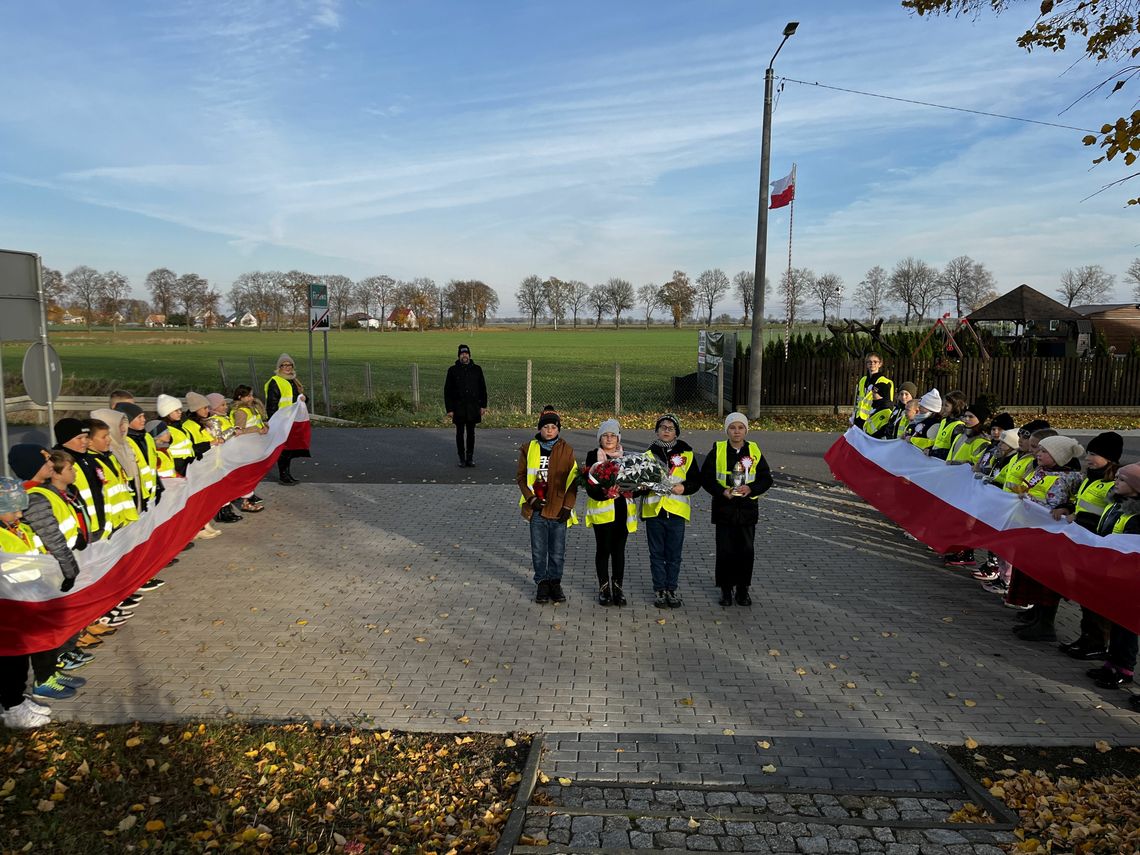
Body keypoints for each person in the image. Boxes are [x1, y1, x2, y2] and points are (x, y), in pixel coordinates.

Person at [1006, 434, 1085, 641]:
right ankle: (1036, 616)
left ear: (1058, 456)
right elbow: (1027, 489)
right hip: (1032, 529)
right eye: (1039, 450)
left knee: (1046, 580)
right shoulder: (1039, 471)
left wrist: (1064, 508)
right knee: (1032, 574)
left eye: (1044, 452)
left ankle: (1046, 623)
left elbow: (1066, 503)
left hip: (1050, 535)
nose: (1038, 454)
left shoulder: (1069, 477)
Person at [1056, 431, 1122, 661]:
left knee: (1096, 597)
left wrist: (1081, 520)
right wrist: (1068, 508)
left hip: (1099, 546)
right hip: (1083, 544)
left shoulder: (1112, 484)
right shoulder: (1090, 478)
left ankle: (1097, 641)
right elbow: (1080, 504)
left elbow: (1109, 517)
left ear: (1110, 458)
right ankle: (1086, 637)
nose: (1088, 458)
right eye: (1089, 453)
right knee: (1085, 595)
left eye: (1094, 454)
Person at [700, 413, 773, 606]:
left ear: (746, 430)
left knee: (746, 551)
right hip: (725, 509)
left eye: (741, 427)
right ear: (727, 430)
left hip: (747, 510)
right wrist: (722, 491)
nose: (737, 431)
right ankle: (725, 589)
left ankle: (743, 589)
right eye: (732, 428)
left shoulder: (754, 450)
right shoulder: (718, 449)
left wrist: (751, 488)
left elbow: (766, 478)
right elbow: (706, 478)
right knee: (725, 551)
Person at [1085, 463, 1140, 696]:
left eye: (1122, 480)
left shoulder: (1137, 516)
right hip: (1112, 571)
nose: (1116, 481)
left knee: (1127, 624)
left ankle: (1125, 668)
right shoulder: (1116, 505)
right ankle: (1112, 663)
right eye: (1116, 477)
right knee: (1115, 619)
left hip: (1129, 577)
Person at [516, 409, 578, 604]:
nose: (550, 430)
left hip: (559, 509)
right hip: (537, 509)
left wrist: (568, 507)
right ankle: (542, 582)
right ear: (539, 429)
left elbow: (573, 480)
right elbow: (521, 477)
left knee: (557, 551)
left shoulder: (566, 450)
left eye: (553, 427)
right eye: (545, 427)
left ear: (558, 429)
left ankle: (555, 582)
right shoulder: (528, 448)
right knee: (538, 550)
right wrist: (530, 499)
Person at [641, 414, 701, 608]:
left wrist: (683, 488)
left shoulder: (687, 453)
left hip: (676, 511)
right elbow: (640, 482)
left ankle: (671, 589)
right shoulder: (648, 455)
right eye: (662, 427)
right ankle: (659, 589)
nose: (666, 430)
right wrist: (643, 485)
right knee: (656, 553)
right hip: (655, 511)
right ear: (656, 430)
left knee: (674, 554)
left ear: (676, 432)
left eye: (670, 427)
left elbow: (695, 481)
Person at [584, 419, 635, 607]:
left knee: (619, 551)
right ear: (599, 439)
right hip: (602, 512)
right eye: (605, 435)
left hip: (622, 511)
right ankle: (604, 589)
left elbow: (635, 485)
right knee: (603, 550)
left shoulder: (627, 457)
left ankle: (618, 589)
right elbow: (588, 485)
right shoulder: (593, 456)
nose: (609, 438)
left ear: (618, 438)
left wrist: (630, 488)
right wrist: (605, 492)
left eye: (613, 435)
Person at [265, 354, 309, 485]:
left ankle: (287, 473)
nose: (288, 367)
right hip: (282, 420)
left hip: (292, 420)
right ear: (279, 367)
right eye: (284, 365)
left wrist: (304, 398)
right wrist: (273, 421)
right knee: (284, 449)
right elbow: (272, 404)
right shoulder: (275, 382)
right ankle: (283, 475)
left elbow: (298, 398)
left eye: (290, 365)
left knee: (289, 448)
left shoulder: (294, 381)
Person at [444, 344, 488, 468]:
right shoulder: (452, 370)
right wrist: (450, 409)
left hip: (473, 407)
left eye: (466, 353)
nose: (464, 356)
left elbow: (483, 388)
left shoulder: (477, 369)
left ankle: (470, 458)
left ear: (469, 355)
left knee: (471, 433)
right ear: (459, 356)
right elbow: (447, 391)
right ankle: (461, 458)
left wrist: (483, 406)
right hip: (458, 408)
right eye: (462, 354)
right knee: (459, 433)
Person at [851, 353, 894, 429]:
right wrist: (853, 416)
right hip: (859, 419)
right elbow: (858, 400)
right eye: (869, 362)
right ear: (866, 364)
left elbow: (888, 405)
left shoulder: (886, 382)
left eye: (875, 362)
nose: (872, 364)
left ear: (880, 364)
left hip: (873, 418)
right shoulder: (863, 380)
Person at [928, 390, 968, 460]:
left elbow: (953, 450)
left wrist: (932, 452)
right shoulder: (944, 421)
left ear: (956, 407)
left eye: (946, 405)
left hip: (944, 465)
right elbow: (937, 443)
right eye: (943, 405)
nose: (942, 408)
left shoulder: (959, 426)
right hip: (935, 461)